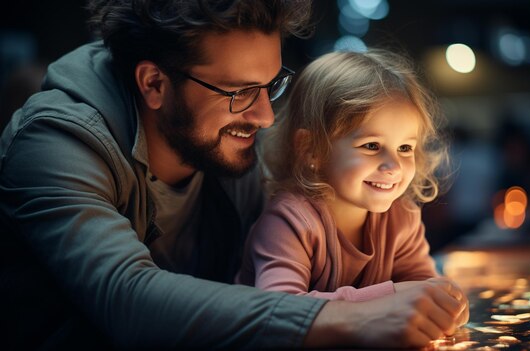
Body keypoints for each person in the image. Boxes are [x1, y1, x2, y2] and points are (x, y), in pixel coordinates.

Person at [0, 0, 467, 349]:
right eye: (241, 91)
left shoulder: (230, 143)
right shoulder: (54, 144)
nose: (265, 117)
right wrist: (354, 318)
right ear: (154, 83)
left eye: (269, 86)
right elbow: (125, 298)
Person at [236, 49, 467, 303]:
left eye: (405, 148)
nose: (393, 165)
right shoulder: (289, 221)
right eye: (371, 146)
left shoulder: (401, 218)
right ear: (311, 149)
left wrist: (441, 301)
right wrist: (392, 294)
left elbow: (420, 287)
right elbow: (281, 310)